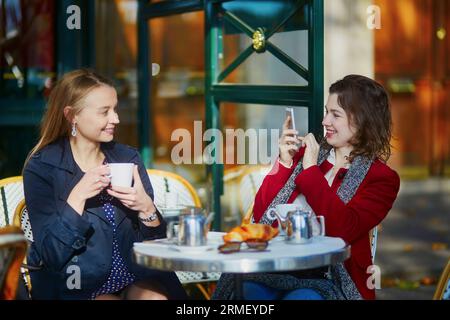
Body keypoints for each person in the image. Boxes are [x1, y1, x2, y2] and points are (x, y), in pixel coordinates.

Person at [213, 75, 400, 300]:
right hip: (276, 266)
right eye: (326, 111)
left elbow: (341, 230)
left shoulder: (381, 179)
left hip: (330, 277)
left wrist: (310, 170)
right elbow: (262, 214)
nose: (324, 121)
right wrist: (283, 163)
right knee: (249, 293)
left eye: (335, 115)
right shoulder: (305, 156)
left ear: (361, 120)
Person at [22, 69, 187, 300]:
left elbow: (158, 244)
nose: (116, 119)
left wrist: (147, 209)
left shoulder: (126, 158)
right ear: (72, 116)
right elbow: (52, 255)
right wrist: (77, 197)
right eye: (104, 112)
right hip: (78, 283)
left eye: (115, 109)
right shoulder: (42, 168)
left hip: (135, 274)